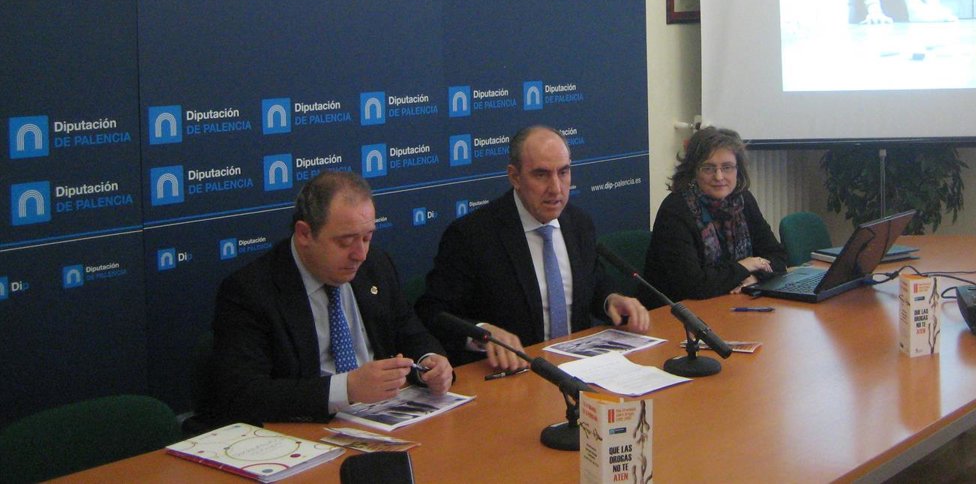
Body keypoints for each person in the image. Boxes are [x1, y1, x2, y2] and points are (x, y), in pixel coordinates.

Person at [205, 170, 453, 426]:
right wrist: (346, 389)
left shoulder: (376, 266)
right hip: (307, 428)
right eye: (345, 242)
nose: (360, 254)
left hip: (383, 418)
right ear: (304, 234)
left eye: (367, 238)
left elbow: (409, 331)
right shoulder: (251, 291)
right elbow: (243, 395)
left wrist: (429, 361)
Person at [416, 125, 651, 370]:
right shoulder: (473, 235)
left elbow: (592, 281)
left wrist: (610, 299)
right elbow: (432, 312)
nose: (556, 188)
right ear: (515, 177)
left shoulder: (578, 224)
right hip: (515, 374)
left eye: (563, 172)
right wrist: (482, 333)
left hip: (579, 369)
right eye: (541, 175)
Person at [643, 126, 787, 302]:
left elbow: (778, 257)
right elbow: (693, 286)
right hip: (675, 310)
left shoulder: (743, 200)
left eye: (727, 167)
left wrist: (755, 277)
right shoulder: (675, 211)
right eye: (708, 168)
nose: (719, 177)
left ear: (738, 170)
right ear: (693, 171)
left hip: (731, 301)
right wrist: (744, 267)